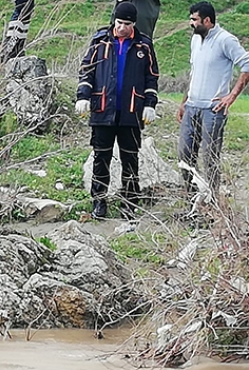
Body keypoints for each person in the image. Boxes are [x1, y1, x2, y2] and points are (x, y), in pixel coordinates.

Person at [75, 2, 159, 219]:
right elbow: (87, 70)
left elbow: (152, 76)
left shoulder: (144, 45)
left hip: (131, 111)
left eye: (127, 24)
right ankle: (99, 201)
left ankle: (130, 202)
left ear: (133, 24)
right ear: (115, 20)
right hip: (103, 108)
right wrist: (83, 96)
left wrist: (150, 103)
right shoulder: (100, 40)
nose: (122, 28)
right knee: (100, 157)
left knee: (130, 158)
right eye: (119, 23)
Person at [176, 1, 249, 196]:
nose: (191, 23)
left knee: (210, 158)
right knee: (184, 155)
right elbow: (194, 73)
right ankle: (193, 199)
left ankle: (212, 200)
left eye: (194, 20)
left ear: (208, 20)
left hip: (213, 110)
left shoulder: (225, 40)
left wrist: (231, 97)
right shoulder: (195, 40)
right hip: (192, 106)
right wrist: (183, 102)